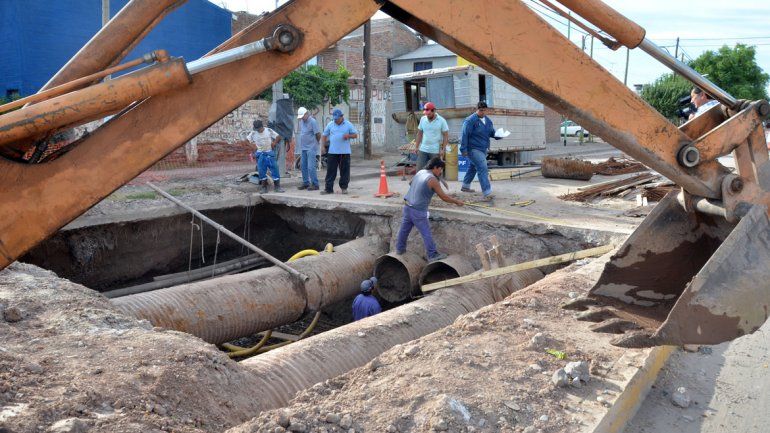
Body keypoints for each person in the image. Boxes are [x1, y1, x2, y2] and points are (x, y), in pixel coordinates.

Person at [395, 157, 464, 262]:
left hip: (407, 206)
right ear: (435, 167)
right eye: (440, 169)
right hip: (418, 210)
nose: (441, 172)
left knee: (404, 230)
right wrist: (456, 202)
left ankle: (399, 249)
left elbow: (411, 183)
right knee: (426, 232)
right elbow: (444, 197)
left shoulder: (421, 172)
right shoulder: (432, 180)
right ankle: (432, 254)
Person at [460, 101, 502, 201]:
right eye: (480, 110)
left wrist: (499, 136)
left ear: (486, 110)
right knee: (483, 168)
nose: (482, 112)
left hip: (483, 149)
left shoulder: (488, 121)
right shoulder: (470, 121)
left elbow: (492, 133)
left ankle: (465, 186)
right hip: (473, 149)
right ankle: (487, 192)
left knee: (473, 167)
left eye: (484, 110)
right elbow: (464, 135)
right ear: (476, 109)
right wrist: (463, 149)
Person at [320, 109, 358, 195]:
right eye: (335, 119)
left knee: (344, 171)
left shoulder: (348, 124)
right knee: (330, 171)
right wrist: (322, 146)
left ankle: (344, 188)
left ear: (342, 117)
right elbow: (324, 135)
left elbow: (355, 135)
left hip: (344, 152)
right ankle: (328, 189)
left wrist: (348, 135)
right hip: (332, 152)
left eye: (337, 118)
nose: (336, 120)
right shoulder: (330, 124)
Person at [247, 119, 285, 193]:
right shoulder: (253, 133)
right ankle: (264, 188)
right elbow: (246, 141)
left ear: (262, 127)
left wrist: (274, 143)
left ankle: (277, 187)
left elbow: (278, 137)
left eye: (259, 129)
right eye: (256, 129)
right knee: (261, 171)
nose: (258, 130)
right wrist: (252, 146)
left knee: (275, 169)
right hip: (260, 154)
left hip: (269, 153)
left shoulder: (269, 131)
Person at [292, 106, 321, 190]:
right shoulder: (301, 122)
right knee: (303, 165)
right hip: (304, 147)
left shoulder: (313, 121)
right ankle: (306, 183)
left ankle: (315, 184)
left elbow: (318, 134)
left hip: (311, 147)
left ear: (306, 114)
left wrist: (315, 143)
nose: (301, 118)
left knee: (311, 167)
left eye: (302, 116)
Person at [415, 102, 449, 170]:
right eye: (426, 114)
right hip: (423, 149)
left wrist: (443, 149)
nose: (427, 116)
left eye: (429, 114)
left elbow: (446, 135)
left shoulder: (442, 121)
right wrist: (416, 146)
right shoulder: (423, 119)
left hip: (435, 151)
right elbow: (419, 133)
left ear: (434, 111)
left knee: (435, 171)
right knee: (419, 170)